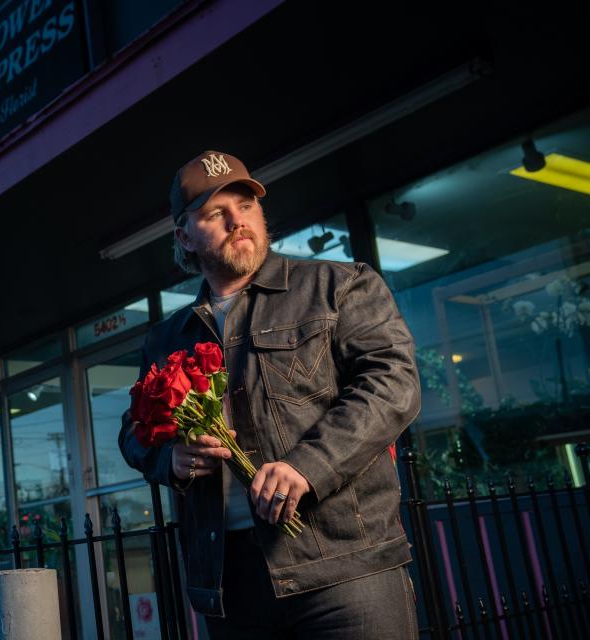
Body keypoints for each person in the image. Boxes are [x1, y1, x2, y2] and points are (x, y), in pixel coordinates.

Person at [118, 150, 421, 638]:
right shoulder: (164, 339)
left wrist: (308, 465)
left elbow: (393, 385)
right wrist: (167, 459)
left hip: (344, 568)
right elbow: (133, 433)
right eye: (215, 213)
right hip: (230, 583)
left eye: (246, 205)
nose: (237, 221)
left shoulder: (338, 287)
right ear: (184, 237)